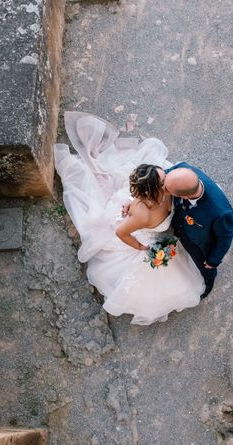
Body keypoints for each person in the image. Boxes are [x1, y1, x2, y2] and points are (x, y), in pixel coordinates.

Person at [54, 112, 204, 325]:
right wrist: (140, 247)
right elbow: (120, 233)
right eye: (162, 180)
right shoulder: (142, 210)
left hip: (141, 216)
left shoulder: (167, 190)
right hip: (137, 228)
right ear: (151, 190)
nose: (166, 179)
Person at [164, 164, 233, 298]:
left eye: (168, 190)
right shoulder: (182, 169)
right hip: (180, 225)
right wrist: (133, 200)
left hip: (199, 245)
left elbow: (225, 237)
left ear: (183, 196)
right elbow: (161, 175)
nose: (163, 189)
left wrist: (213, 260)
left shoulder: (220, 212)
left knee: (205, 269)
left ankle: (207, 285)